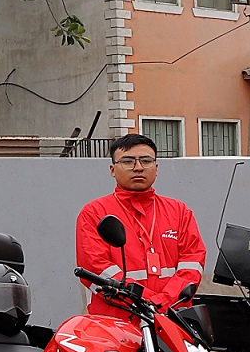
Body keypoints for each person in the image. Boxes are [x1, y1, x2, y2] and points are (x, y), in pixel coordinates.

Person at [75, 131, 206, 306]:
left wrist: (164, 301)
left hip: (171, 320)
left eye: (146, 161)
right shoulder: (94, 213)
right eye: (128, 161)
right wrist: (150, 302)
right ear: (112, 170)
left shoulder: (179, 211)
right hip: (118, 322)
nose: (138, 167)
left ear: (156, 168)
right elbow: (96, 268)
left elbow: (192, 264)